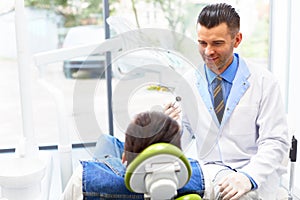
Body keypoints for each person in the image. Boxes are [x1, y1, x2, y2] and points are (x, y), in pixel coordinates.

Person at [164, 2, 289, 200]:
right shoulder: (188, 81)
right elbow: (184, 134)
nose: (208, 51)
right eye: (202, 43)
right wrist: (169, 129)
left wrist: (248, 177)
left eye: (217, 43)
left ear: (237, 40)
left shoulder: (264, 81)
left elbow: (274, 141)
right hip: (209, 175)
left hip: (251, 175)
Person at [60, 111, 205, 200]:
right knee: (110, 141)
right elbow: (222, 173)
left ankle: (135, 146)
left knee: (107, 140)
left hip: (115, 169)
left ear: (124, 159)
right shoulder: (205, 178)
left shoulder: (85, 179)